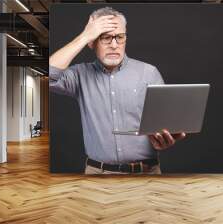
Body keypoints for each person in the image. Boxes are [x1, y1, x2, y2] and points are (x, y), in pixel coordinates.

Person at [49, 7, 186, 174]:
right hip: (98, 176)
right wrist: (84, 36)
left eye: (119, 37)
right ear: (92, 42)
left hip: (147, 173)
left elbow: (164, 123)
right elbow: (50, 75)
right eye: (106, 37)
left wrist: (164, 138)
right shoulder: (79, 75)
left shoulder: (149, 73)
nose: (114, 45)